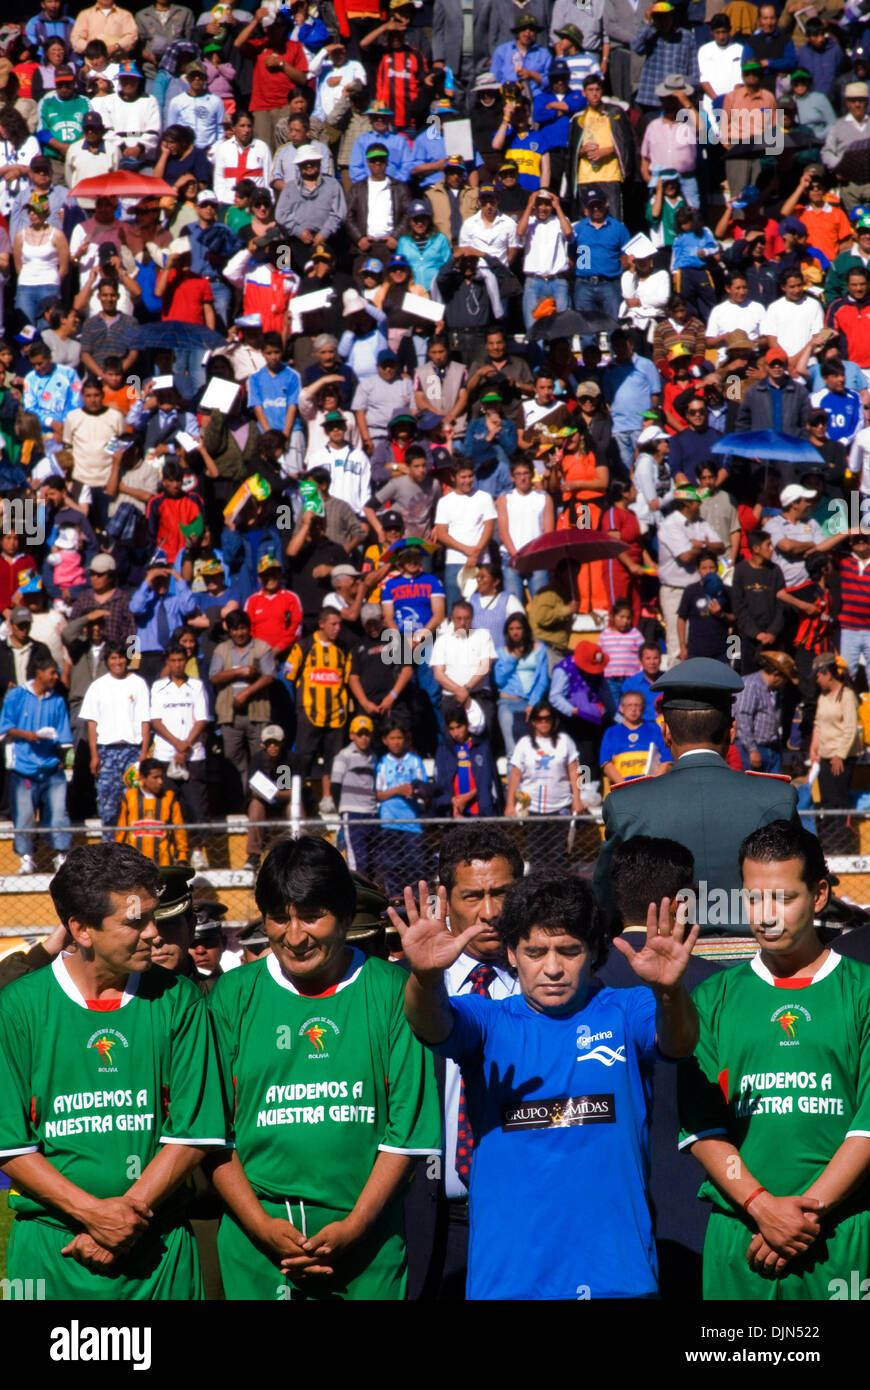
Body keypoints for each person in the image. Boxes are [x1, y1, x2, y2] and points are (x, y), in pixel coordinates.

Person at [398, 868, 699, 1299]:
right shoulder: (487, 1020)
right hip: (509, 1282)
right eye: (536, 952)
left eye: (569, 950)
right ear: (512, 954)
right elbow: (429, 1022)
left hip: (616, 1279)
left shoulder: (627, 1009)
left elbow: (680, 1040)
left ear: (593, 950)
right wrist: (425, 977)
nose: (553, 968)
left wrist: (671, 992)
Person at [205, 836, 439, 1300]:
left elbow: (407, 1131)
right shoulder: (231, 996)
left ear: (347, 918)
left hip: (368, 1248)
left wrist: (354, 1226)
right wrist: (260, 1225)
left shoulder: (394, 991)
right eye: (279, 917)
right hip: (254, 1250)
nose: (295, 936)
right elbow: (210, 1132)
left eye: (312, 915)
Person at [0, 842, 226, 1300]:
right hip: (51, 1250)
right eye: (134, 922)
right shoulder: (18, 1006)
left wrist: (127, 1215)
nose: (153, 934)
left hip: (159, 1250)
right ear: (81, 929)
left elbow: (195, 1130)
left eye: (154, 918)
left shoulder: (178, 999)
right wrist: (93, 1215)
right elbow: (9, 1142)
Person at [678, 820, 870, 1300]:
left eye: (783, 898)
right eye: (754, 897)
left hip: (840, 1239)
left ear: (820, 894)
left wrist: (801, 1218)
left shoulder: (863, 991)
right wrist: (763, 1207)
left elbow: (866, 1128)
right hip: (742, 1236)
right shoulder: (713, 997)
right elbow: (702, 1128)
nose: (766, 916)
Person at [404, 823, 523, 1302]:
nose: (490, 912)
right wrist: (425, 978)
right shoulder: (406, 988)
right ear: (444, 899)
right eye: (473, 897)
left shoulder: (555, 978)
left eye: (503, 894)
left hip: (529, 1216)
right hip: (435, 1222)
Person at [594, 658, 799, 931]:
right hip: (760, 962)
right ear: (732, 730)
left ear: (665, 732)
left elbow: (606, 896)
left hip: (661, 962)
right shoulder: (777, 796)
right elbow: (804, 884)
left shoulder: (626, 803)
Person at [0, 649, 72, 875]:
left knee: (59, 813)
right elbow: (4, 726)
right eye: (52, 673)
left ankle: (61, 856)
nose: (55, 677)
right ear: (39, 673)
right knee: (24, 816)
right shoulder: (15, 696)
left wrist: (61, 760)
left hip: (51, 768)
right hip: (23, 768)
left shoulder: (58, 700)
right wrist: (27, 735)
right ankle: (26, 858)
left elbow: (64, 736)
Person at [79, 638, 151, 839]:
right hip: (106, 752)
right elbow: (91, 724)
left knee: (136, 802)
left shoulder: (138, 683)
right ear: (107, 661)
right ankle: (108, 851)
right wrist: (94, 755)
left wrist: (144, 754)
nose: (118, 662)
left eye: (120, 657)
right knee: (108, 804)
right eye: (113, 658)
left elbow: (145, 720)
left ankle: (136, 851)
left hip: (133, 752)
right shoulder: (97, 686)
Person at [115, 756, 188, 865]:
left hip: (163, 862)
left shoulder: (169, 798)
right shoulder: (129, 797)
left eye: (161, 777)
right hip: (134, 863)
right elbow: (121, 830)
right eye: (155, 777)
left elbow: (179, 829)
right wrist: (117, 854)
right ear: (142, 778)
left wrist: (182, 856)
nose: (160, 781)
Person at [734, 650, 796, 774]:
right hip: (753, 748)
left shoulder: (773, 691)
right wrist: (752, 750)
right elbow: (743, 718)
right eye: (784, 679)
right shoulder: (751, 685)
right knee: (752, 788)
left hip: (772, 748)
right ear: (776, 674)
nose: (784, 683)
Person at [600, 688, 671, 786]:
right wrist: (624, 786)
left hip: (651, 787)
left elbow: (667, 761)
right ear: (621, 708)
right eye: (629, 705)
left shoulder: (656, 729)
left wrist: (653, 786)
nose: (633, 709)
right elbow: (606, 764)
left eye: (637, 705)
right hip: (622, 790)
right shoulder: (611, 732)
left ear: (643, 708)